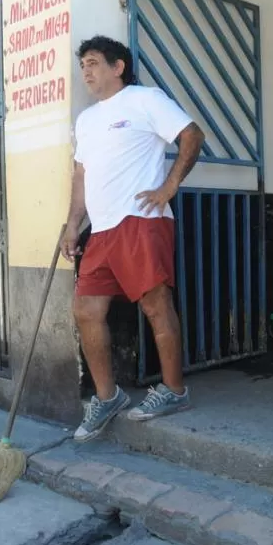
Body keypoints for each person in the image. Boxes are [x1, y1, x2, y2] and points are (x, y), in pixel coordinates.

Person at [63, 35, 205, 442]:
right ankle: (108, 397)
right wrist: (73, 224)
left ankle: (175, 390)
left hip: (142, 220)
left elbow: (192, 136)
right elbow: (81, 176)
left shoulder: (146, 99)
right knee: (86, 310)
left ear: (118, 66)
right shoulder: (87, 120)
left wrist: (169, 187)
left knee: (156, 305)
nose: (86, 72)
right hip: (102, 229)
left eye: (93, 63)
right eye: (83, 66)